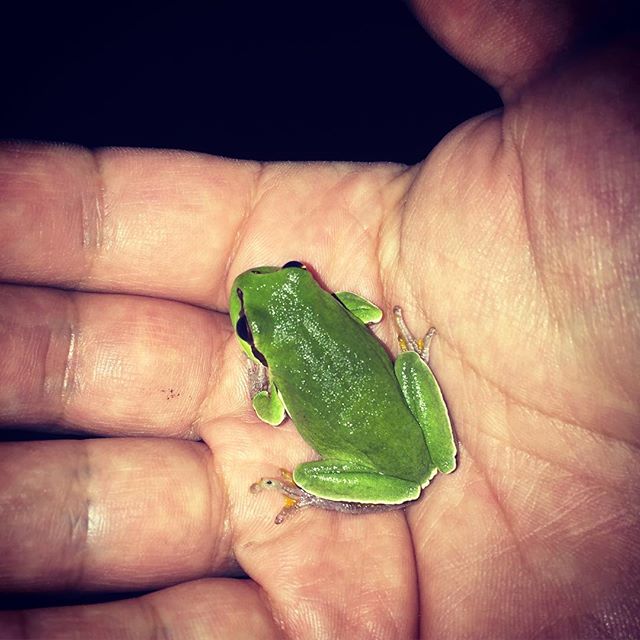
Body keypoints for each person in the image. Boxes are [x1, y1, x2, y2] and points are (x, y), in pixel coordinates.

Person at [1, 2, 638, 638]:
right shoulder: (340, 304)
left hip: (388, 458)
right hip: (420, 437)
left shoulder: (283, 356)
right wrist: (338, 332)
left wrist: (260, 375)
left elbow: (273, 413)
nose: (257, 286)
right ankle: (375, 442)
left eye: (286, 278)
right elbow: (364, 311)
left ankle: (316, 495)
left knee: (305, 472)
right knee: (408, 370)